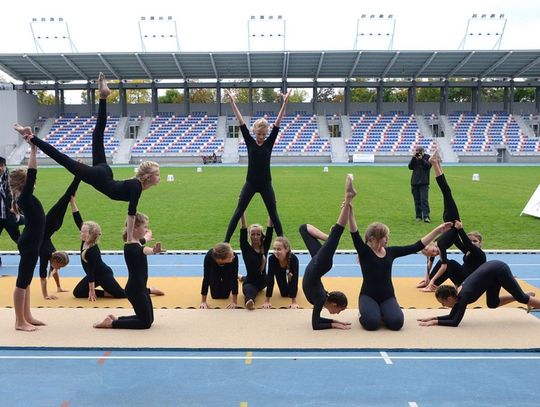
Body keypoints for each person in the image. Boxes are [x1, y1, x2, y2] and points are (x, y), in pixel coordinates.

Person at [13, 73, 160, 243]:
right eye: (157, 174)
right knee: (64, 159)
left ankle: (103, 96)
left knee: (97, 135)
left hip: (105, 173)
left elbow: (131, 212)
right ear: (149, 176)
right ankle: (31, 137)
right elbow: (131, 214)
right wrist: (129, 240)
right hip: (100, 177)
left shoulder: (136, 185)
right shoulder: (137, 187)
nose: (159, 177)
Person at [350, 202, 451, 331]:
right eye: (384, 236)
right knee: (371, 323)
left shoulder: (391, 252)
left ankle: (381, 311)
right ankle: (365, 312)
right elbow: (354, 232)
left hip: (387, 296)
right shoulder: (364, 252)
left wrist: (438, 230)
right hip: (368, 295)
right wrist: (349, 211)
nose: (387, 239)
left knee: (397, 323)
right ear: (373, 238)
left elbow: (416, 246)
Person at [223, 88, 291, 242]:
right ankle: (225, 242)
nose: (261, 137)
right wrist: (232, 102)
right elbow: (240, 121)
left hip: (266, 183)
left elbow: (278, 122)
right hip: (251, 183)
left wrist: (285, 102)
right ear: (254, 132)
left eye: (263, 134)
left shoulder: (269, 143)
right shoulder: (250, 142)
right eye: (259, 134)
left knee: (273, 213)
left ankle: (284, 244)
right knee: (238, 211)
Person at [300, 174, 355, 330]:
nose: (337, 313)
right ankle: (348, 198)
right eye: (339, 311)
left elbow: (316, 321)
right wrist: (335, 324)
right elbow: (315, 325)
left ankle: (329, 237)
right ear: (334, 304)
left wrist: (335, 322)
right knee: (337, 233)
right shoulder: (320, 298)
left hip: (317, 263)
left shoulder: (322, 298)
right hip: (320, 264)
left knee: (303, 229)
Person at [93, 213, 164, 329]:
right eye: (145, 227)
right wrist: (154, 251)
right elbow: (145, 250)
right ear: (134, 228)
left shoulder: (136, 243)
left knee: (149, 320)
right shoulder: (132, 247)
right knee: (145, 323)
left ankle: (116, 319)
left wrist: (147, 236)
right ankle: (111, 324)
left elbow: (142, 241)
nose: (146, 229)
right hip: (135, 290)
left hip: (140, 288)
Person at [418, 260, 540, 327]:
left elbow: (455, 322)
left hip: (498, 269)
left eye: (443, 303)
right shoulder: (457, 296)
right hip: (491, 273)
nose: (443, 305)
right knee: (492, 303)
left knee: (521, 298)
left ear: (449, 298)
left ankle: (526, 296)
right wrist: (433, 318)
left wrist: (435, 322)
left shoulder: (463, 296)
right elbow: (451, 316)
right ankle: (527, 295)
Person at [419, 149, 469, 292]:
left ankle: (435, 163)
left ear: (428, 247)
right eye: (433, 255)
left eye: (431, 252)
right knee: (447, 192)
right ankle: (436, 163)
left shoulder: (440, 244)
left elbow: (440, 265)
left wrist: (431, 283)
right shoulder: (439, 245)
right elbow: (429, 263)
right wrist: (427, 279)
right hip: (452, 222)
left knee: (446, 192)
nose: (434, 254)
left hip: (451, 220)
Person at [9, 143, 45, 331]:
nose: (34, 181)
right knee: (22, 282)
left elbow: (31, 175)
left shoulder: (25, 198)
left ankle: (27, 316)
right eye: (29, 180)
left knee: (27, 280)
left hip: (32, 242)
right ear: (24, 183)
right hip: (29, 243)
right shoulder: (24, 197)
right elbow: (33, 173)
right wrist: (33, 149)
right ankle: (19, 321)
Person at [38, 177, 80, 300]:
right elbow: (42, 276)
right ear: (55, 260)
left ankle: (78, 177)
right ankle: (78, 177)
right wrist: (46, 296)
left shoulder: (53, 254)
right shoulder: (46, 254)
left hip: (52, 225)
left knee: (68, 197)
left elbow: (53, 270)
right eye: (60, 266)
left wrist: (59, 287)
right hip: (50, 222)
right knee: (67, 197)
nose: (59, 268)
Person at [418, 221, 486, 290]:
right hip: (463, 279)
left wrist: (460, 229)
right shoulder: (468, 251)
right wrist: (452, 229)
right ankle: (429, 282)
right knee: (442, 261)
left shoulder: (479, 253)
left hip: (472, 281)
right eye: (470, 241)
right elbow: (455, 239)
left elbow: (468, 244)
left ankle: (433, 285)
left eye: (475, 241)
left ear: (480, 243)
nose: (472, 242)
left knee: (451, 263)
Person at [239, 214, 273, 310]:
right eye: (253, 234)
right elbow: (243, 229)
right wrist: (242, 212)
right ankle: (249, 302)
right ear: (249, 235)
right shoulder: (246, 248)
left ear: (261, 235)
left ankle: (241, 277)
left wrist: (271, 210)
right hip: (251, 282)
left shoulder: (264, 247)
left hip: (263, 281)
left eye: (258, 234)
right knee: (249, 291)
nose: (255, 237)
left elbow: (270, 228)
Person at [0, 156, 24, 267]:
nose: (0, 168)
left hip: (10, 215)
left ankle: (26, 256)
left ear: (5, 166)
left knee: (18, 239)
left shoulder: (11, 179)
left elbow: (19, 194)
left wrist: (16, 208)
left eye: (2, 166)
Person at [263, 236, 299, 309]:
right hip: (278, 269)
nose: (276, 252)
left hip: (290, 270)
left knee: (291, 285)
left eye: (279, 249)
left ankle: (292, 290)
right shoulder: (272, 259)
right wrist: (267, 300)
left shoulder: (293, 259)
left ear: (286, 249)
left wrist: (294, 302)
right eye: (274, 249)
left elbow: (295, 280)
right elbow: (270, 279)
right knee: (284, 294)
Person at [200, 242, 239, 309]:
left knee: (225, 296)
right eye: (230, 256)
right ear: (221, 259)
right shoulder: (209, 257)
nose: (233, 256)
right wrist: (203, 302)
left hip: (228, 268)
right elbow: (206, 278)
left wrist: (234, 302)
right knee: (215, 296)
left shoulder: (234, 257)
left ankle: (238, 276)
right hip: (214, 269)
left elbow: (234, 278)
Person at [408, 146, 431, 223]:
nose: (418, 152)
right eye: (417, 151)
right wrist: (413, 158)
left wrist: (421, 159)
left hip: (424, 182)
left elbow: (428, 166)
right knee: (416, 200)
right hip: (414, 182)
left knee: (424, 200)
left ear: (423, 151)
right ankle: (418, 216)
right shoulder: (414, 158)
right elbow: (410, 167)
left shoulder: (428, 157)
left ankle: (426, 216)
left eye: (419, 151)